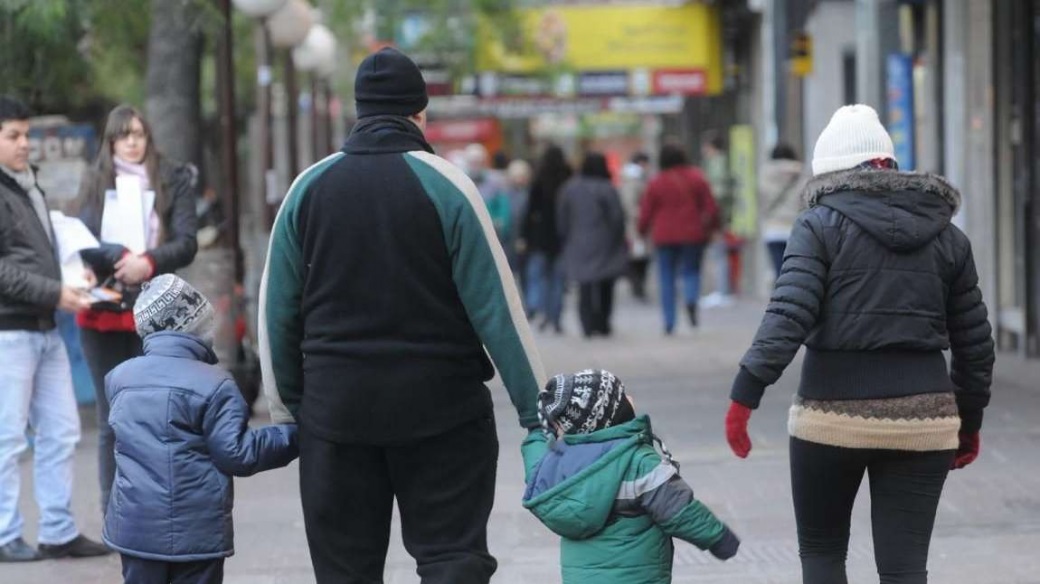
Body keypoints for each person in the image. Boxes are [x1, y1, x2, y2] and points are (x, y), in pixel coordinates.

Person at [258, 47, 546, 584]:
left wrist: (294, 413)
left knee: (345, 571)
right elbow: (497, 311)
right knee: (452, 559)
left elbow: (276, 314)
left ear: (359, 111)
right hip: (442, 413)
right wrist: (538, 415)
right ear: (420, 113)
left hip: (337, 414)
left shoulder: (307, 190)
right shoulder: (448, 186)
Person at [725, 105, 995, 584]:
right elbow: (975, 344)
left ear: (829, 174)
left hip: (830, 416)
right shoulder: (949, 236)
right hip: (925, 419)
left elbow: (789, 313)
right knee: (905, 569)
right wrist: (968, 422)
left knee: (824, 554)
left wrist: (746, 394)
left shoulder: (817, 226)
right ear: (888, 165)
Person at [104, 274, 298, 583]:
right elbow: (237, 454)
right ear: (197, 325)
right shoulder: (215, 383)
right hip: (195, 532)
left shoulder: (118, 378)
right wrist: (293, 435)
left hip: (134, 529)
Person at [74, 104, 199, 516]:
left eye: (138, 133)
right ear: (110, 142)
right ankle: (116, 508)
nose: (131, 141)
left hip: (157, 309)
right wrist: (118, 257)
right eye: (122, 135)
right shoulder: (93, 181)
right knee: (114, 415)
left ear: (148, 137)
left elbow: (186, 241)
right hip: (105, 312)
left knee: (159, 411)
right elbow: (81, 240)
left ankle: (159, 505)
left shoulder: (173, 178)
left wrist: (149, 260)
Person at [0, 95, 108, 562]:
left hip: (44, 328)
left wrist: (70, 277)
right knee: (6, 438)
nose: (26, 144)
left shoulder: (26, 185)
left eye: (26, 134)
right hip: (9, 331)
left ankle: (59, 531)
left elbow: (35, 254)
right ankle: (4, 535)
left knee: (63, 431)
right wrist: (54, 292)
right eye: (14, 136)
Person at [521, 369, 739, 583]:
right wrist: (717, 537)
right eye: (623, 395)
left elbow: (535, 460)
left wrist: (536, 434)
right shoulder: (638, 461)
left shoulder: (556, 463)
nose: (630, 398)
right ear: (608, 414)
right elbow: (679, 509)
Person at [638, 143, 719, 334]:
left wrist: (641, 231)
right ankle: (691, 300)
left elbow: (646, 211)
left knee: (666, 277)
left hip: (664, 235)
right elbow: (711, 207)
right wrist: (712, 227)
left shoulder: (656, 182)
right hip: (692, 233)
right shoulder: (697, 177)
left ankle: (669, 321)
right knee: (691, 271)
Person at [557, 152, 628, 338]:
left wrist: (566, 237)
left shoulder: (570, 188)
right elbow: (617, 217)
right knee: (606, 285)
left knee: (584, 286)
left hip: (578, 241)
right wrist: (617, 238)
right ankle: (603, 322)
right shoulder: (607, 188)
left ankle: (587, 324)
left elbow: (562, 218)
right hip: (605, 242)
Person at [521, 145, 571, 333]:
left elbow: (530, 211)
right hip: (561, 236)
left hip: (540, 236)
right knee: (558, 280)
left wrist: (524, 236)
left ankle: (541, 312)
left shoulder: (539, 179)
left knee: (540, 277)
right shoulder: (567, 178)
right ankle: (556, 317)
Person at [758, 142, 807, 278]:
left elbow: (761, 202)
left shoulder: (764, 175)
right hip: (795, 228)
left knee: (778, 270)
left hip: (772, 230)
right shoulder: (801, 175)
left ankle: (780, 297)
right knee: (796, 272)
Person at [699, 132, 736, 307]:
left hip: (717, 215)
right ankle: (721, 290)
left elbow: (718, 191)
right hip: (721, 214)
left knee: (718, 253)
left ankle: (721, 291)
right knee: (718, 253)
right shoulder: (721, 162)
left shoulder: (717, 163)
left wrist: (709, 210)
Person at [619, 152, 651, 300]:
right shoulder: (634, 181)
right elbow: (630, 204)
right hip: (636, 225)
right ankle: (637, 285)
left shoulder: (633, 180)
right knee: (637, 257)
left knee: (639, 257)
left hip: (638, 225)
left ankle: (638, 285)